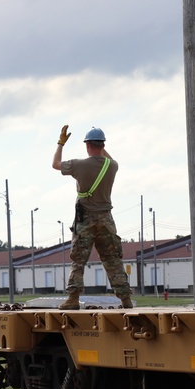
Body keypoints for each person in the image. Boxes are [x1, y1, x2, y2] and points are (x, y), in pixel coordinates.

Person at [52, 125, 133, 310]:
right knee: (112, 259)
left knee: (79, 260)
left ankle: (73, 299)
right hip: (106, 219)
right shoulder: (112, 166)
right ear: (103, 144)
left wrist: (60, 143)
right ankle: (125, 299)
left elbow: (55, 164)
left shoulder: (79, 165)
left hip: (85, 219)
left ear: (87, 145)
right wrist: (100, 145)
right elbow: (109, 159)